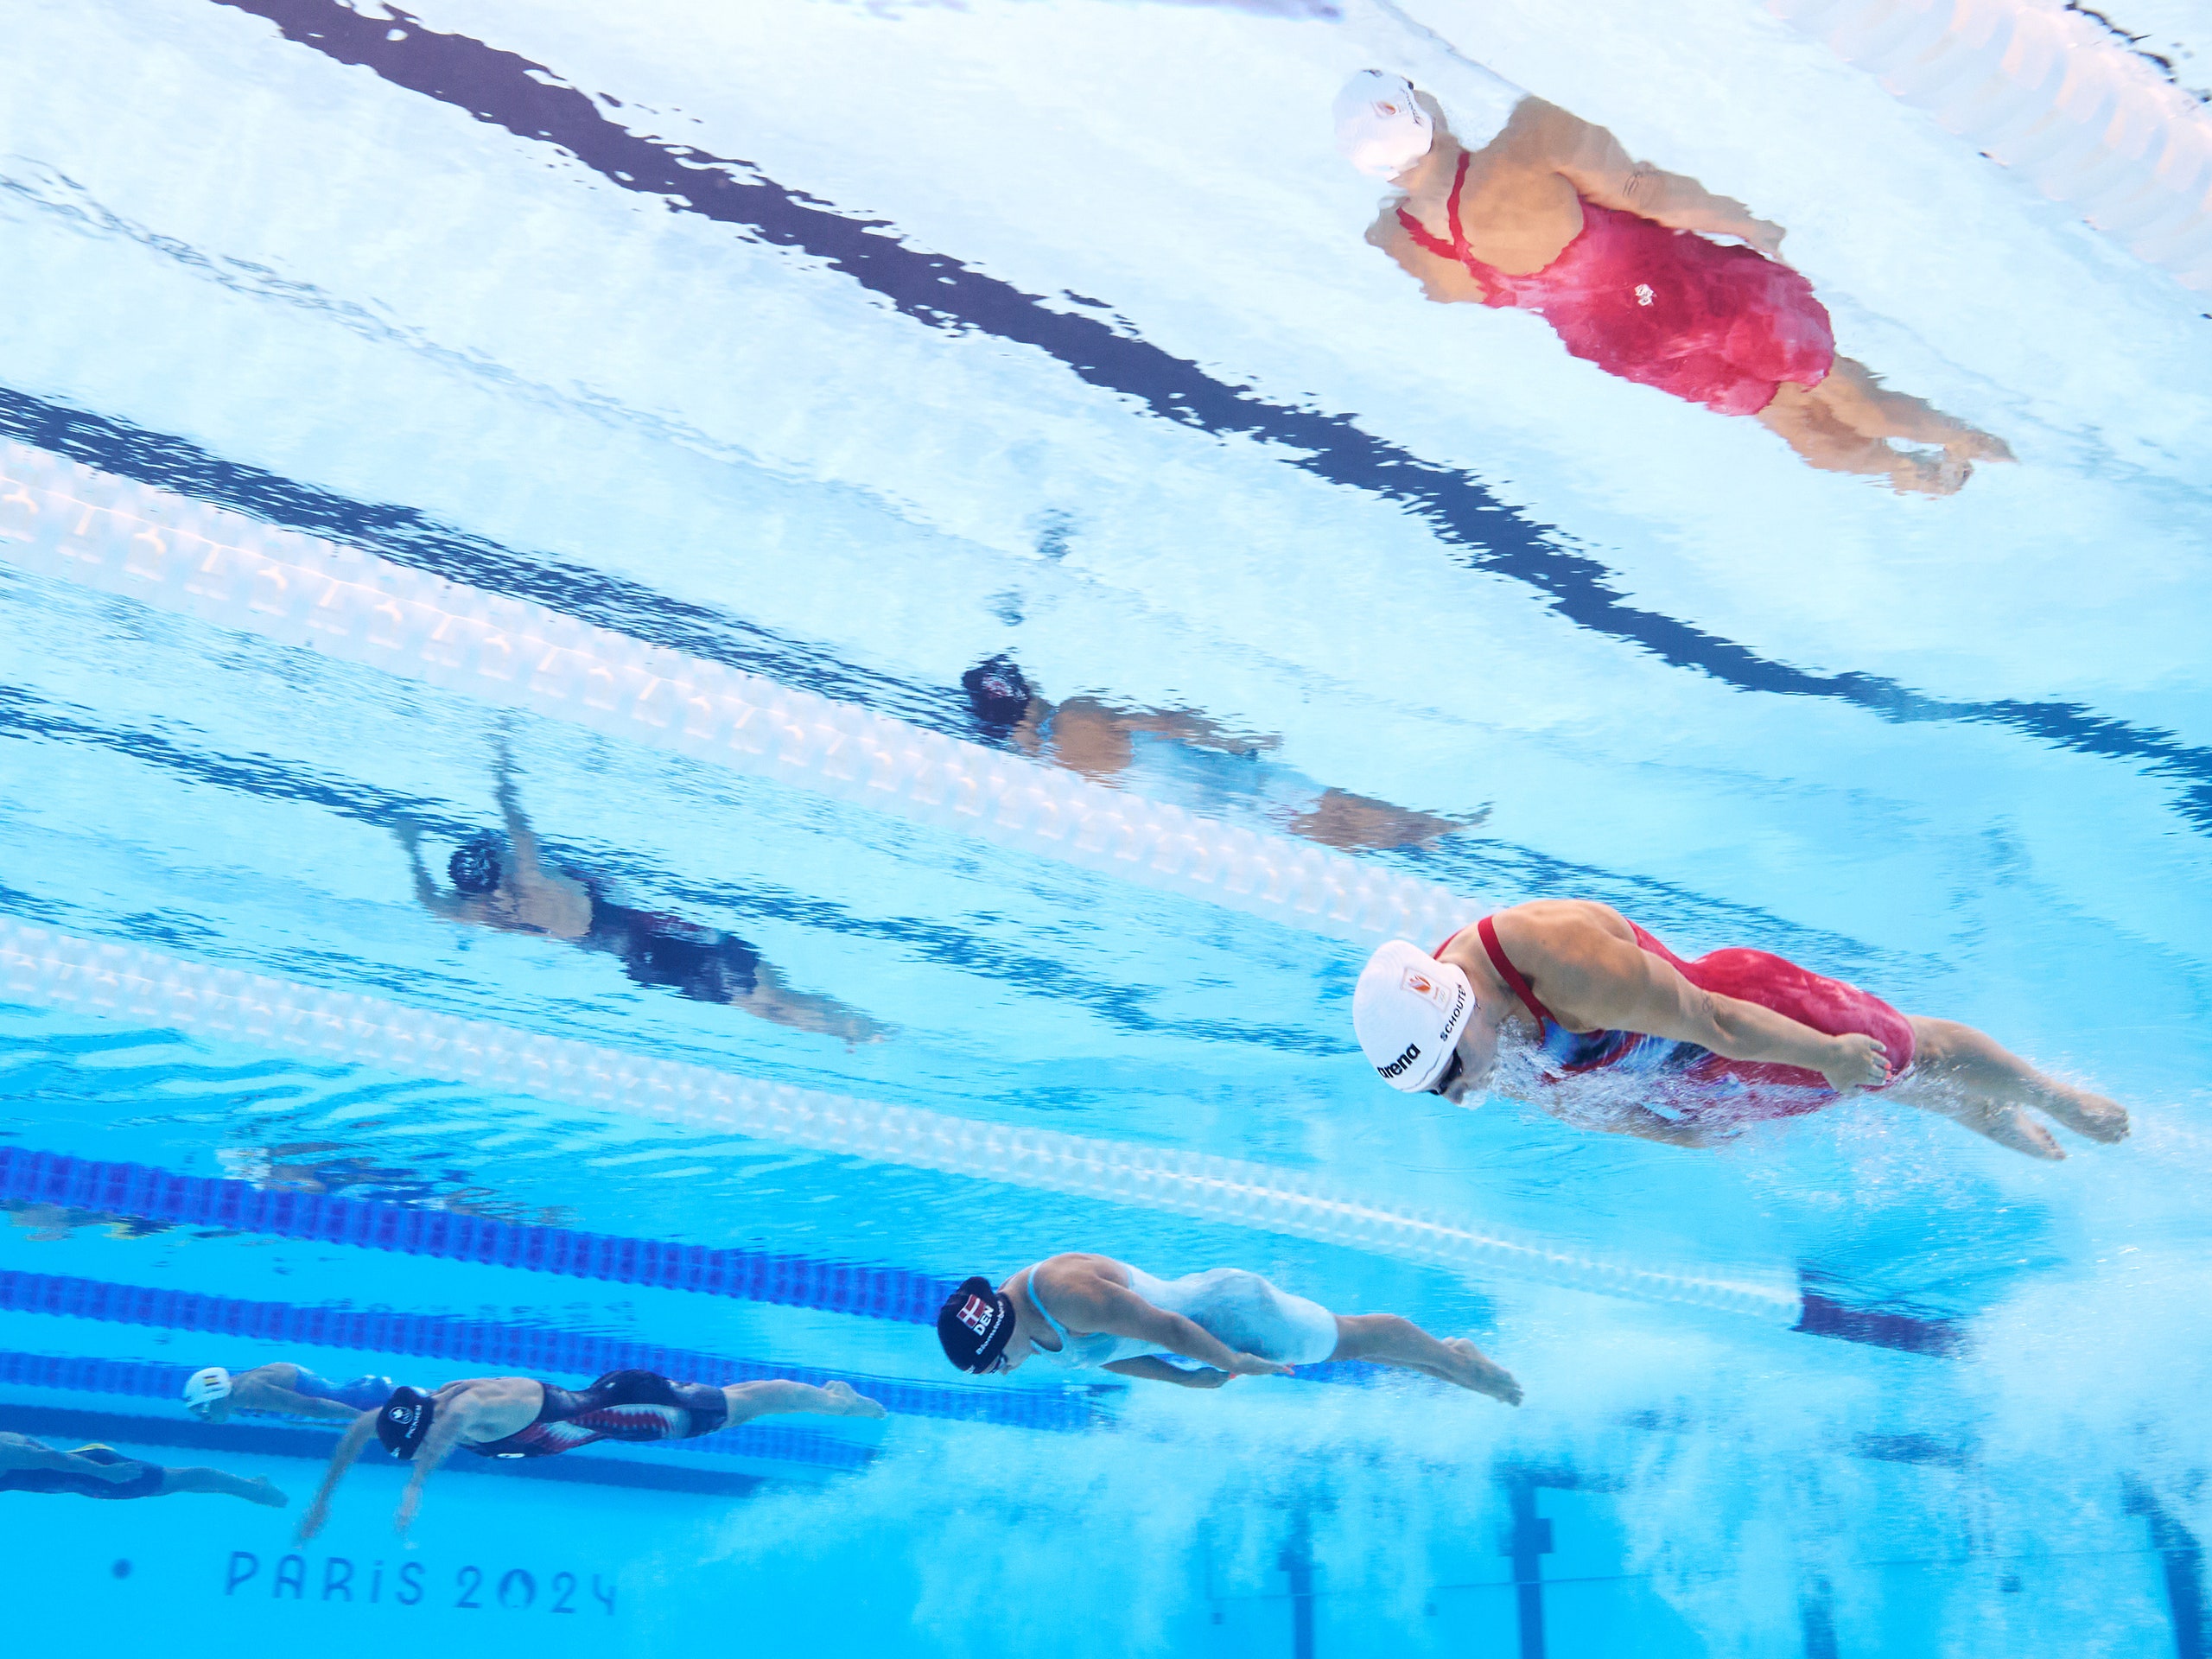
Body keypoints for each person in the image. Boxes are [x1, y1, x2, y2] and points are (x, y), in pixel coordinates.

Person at [1337, 69, 2012, 493]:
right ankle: (1967, 441)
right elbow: (1646, 193)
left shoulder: (1405, 240)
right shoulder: (1526, 145)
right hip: (1687, 296)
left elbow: (1472, 292)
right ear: (1421, 107)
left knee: (1786, 418)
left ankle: (1902, 473)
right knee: (1837, 387)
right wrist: (1748, 225)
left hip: (1623, 345)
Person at [1351, 899, 2130, 1159]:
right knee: (1873, 1088)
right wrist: (1672, 1133)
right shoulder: (1473, 1036)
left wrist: (1824, 1052)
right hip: (1690, 1077)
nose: (1460, 1096)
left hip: (1743, 1017)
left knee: (1903, 1049)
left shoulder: (1564, 963)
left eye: (1453, 1078)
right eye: (1440, 1092)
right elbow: (1561, 1097)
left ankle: (2047, 1092)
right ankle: (1975, 1106)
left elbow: (1710, 1015)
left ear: (1462, 1017)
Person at [396, 741, 882, 1043]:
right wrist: (501, 769)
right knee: (768, 995)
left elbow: (432, 904)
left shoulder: (484, 913)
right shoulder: (530, 880)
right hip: (664, 945)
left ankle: (848, 1027)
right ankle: (856, 1029)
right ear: (497, 866)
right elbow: (518, 825)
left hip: (642, 961)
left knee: (765, 1001)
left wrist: (412, 850)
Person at [296, 1368, 886, 1540]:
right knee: (739, 1405)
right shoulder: (415, 1410)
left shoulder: (469, 1408)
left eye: (419, 1445)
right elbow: (358, 1432)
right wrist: (324, 1502)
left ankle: (836, 1403)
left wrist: (416, 1487)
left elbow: (452, 1425)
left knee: (742, 1407)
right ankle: (829, 1400)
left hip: (634, 1409)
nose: (419, 1448)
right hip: (607, 1404)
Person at [962, 657, 1473, 852]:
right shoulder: (1075, 715)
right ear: (1029, 684)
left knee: (1331, 831)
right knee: (1334, 811)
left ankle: (1418, 839)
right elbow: (1169, 723)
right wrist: (1237, 737)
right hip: (1230, 782)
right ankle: (1438, 828)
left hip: (1211, 825)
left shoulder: (1038, 769)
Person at [935, 1252, 1521, 1403]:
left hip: (1229, 1314)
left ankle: (1459, 1362)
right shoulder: (1024, 1332)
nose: (1004, 1373)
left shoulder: (1064, 1293)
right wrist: (1183, 1381)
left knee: (1353, 1338)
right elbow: (1107, 1357)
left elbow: (1162, 1325)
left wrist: (1230, 1361)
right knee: (1343, 1351)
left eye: (995, 1364)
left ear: (998, 1331)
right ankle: (1449, 1359)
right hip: (1206, 1336)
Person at [0, 1431, 285, 1506]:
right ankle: (244, 1487)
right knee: (171, 1486)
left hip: (98, 1472)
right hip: (87, 1474)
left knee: (177, 1480)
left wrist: (105, 1473)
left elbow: (50, 1459)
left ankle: (253, 1487)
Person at [184, 1363, 402, 1424]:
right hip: (356, 1393)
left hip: (366, 1399)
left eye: (204, 1411)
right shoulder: (236, 1397)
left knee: (428, 1405)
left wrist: (364, 1421)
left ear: (215, 1396)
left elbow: (313, 1407)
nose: (207, 1419)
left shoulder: (248, 1393)